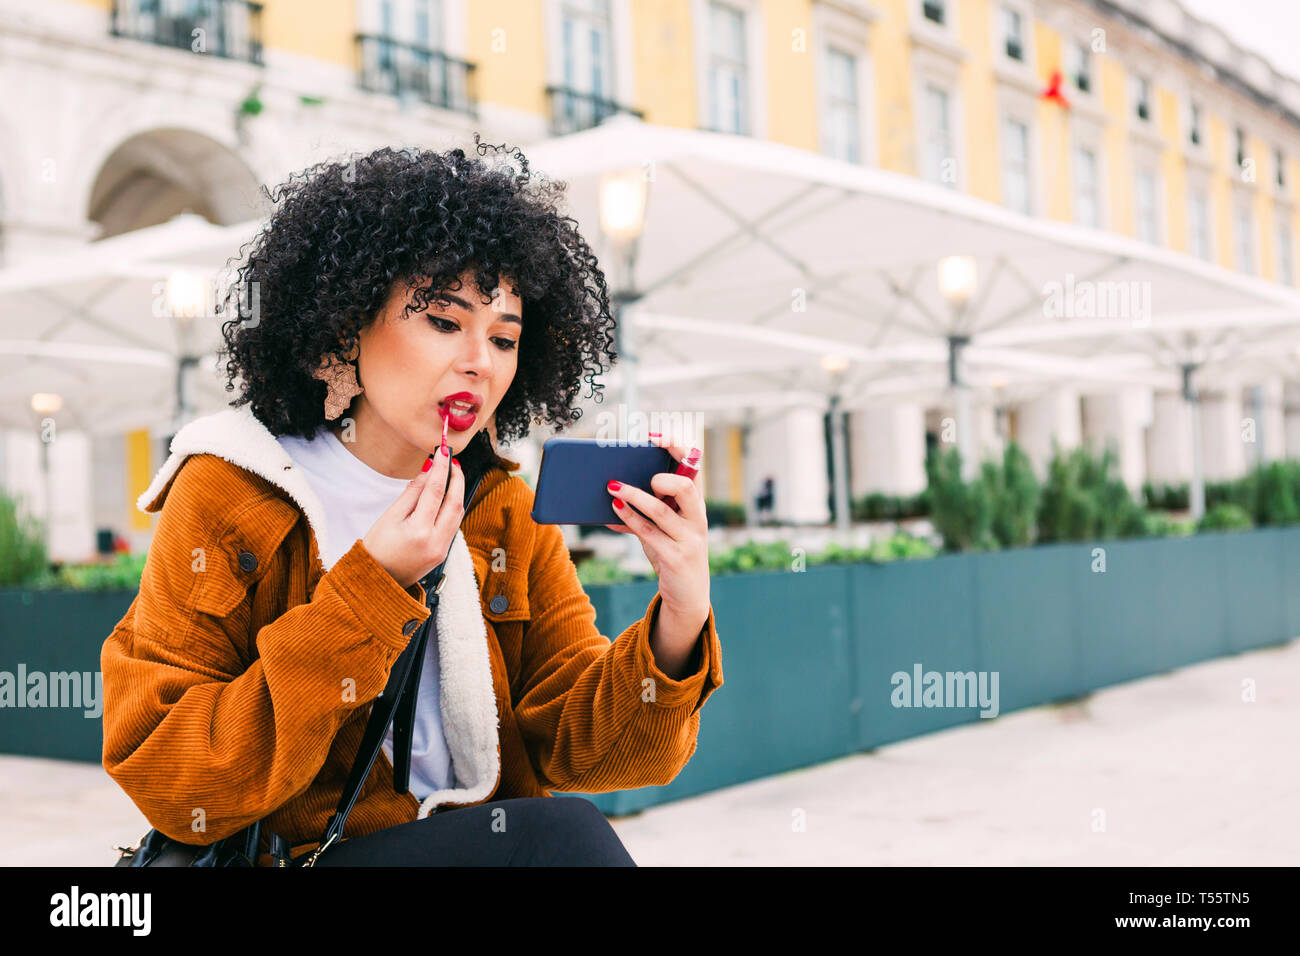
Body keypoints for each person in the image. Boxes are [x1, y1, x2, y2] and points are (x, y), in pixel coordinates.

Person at [101, 138, 724, 866]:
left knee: (565, 826)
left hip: (479, 844)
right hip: (304, 857)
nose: (479, 362)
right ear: (343, 328)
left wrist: (679, 619)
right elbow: (172, 775)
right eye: (443, 321)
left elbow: (585, 754)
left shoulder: (501, 509)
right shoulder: (230, 488)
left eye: (504, 337)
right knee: (564, 837)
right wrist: (369, 592)